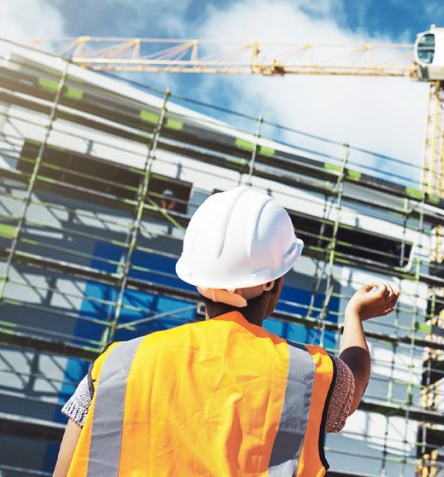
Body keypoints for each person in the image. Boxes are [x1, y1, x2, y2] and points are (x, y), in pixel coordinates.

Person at [53, 186, 399, 476]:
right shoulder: (307, 372)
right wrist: (354, 315)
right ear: (272, 283)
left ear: (198, 280)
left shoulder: (116, 363)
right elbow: (352, 384)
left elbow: (64, 468)